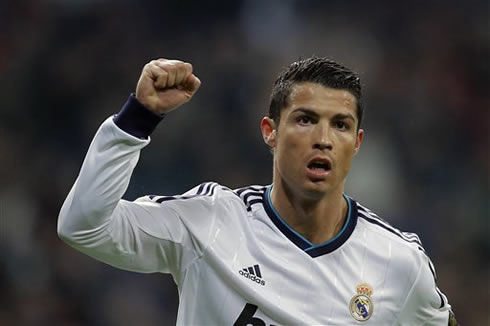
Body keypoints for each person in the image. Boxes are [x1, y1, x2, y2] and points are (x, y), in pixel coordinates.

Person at [58, 57, 458, 325]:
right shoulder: (209, 222)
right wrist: (138, 118)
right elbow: (83, 227)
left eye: (340, 125)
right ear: (270, 132)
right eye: (305, 119)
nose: (323, 139)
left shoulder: (398, 262)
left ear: (357, 142)